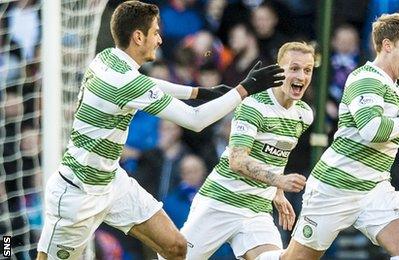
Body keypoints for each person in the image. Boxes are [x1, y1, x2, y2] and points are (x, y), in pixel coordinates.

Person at [36, 1, 284, 259]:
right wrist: (243, 89)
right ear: (138, 36)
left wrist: (198, 92)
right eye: (156, 32)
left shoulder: (107, 58)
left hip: (112, 182)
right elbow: (195, 120)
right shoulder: (125, 81)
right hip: (77, 193)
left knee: (176, 247)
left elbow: (147, 83)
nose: (160, 39)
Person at [257, 12, 399, 260]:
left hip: (373, 186)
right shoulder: (366, 79)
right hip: (334, 187)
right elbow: (372, 130)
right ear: (388, 46)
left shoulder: (394, 89)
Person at [179, 42, 314, 259]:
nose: (301, 76)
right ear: (280, 70)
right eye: (294, 68)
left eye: (307, 70)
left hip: (257, 211)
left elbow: (277, 155)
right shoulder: (254, 105)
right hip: (220, 203)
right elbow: (237, 161)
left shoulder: (304, 114)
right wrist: (280, 182)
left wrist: (277, 193)